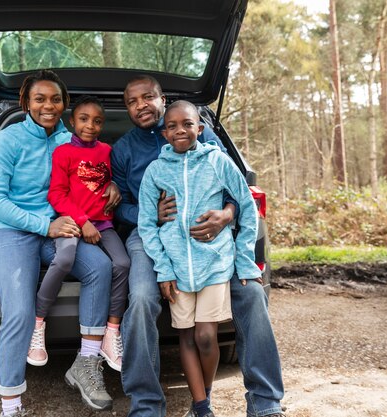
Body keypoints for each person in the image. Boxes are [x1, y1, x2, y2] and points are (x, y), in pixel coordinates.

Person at [111, 75, 285, 417]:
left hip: (211, 236)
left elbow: (236, 191)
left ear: (162, 100)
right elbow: (119, 205)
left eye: (148, 97)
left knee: (251, 295)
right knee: (144, 299)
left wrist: (226, 215)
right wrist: (150, 213)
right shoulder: (123, 149)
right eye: (133, 101)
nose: (141, 105)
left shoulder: (204, 140)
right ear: (128, 108)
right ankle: (146, 405)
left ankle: (265, 404)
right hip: (148, 235)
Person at [0, 70, 117, 416]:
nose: (48, 105)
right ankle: (11, 407)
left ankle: (86, 363)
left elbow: (90, 179)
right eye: (40, 98)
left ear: (65, 104)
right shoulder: (7, 140)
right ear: (26, 102)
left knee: (100, 267)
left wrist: (111, 187)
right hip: (8, 231)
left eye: (55, 99)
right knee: (20, 312)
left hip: (58, 225)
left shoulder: (69, 141)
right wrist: (45, 225)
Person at [137, 100, 263, 417]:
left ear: (200, 128)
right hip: (177, 269)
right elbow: (146, 226)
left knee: (206, 337)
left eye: (188, 124)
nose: (181, 130)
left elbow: (247, 206)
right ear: (164, 133)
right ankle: (202, 407)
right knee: (187, 336)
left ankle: (203, 395)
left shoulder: (217, 161)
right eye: (173, 126)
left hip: (214, 263)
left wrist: (245, 258)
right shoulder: (155, 171)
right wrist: (163, 269)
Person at [27, 95, 129, 373]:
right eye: (83, 119)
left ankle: (112, 331)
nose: (90, 126)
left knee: (122, 263)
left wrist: (116, 184)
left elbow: (115, 177)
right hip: (72, 222)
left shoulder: (107, 151)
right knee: (64, 258)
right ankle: (37, 322)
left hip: (103, 224)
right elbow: (56, 194)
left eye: (97, 121)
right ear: (72, 121)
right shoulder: (63, 152)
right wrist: (82, 221)